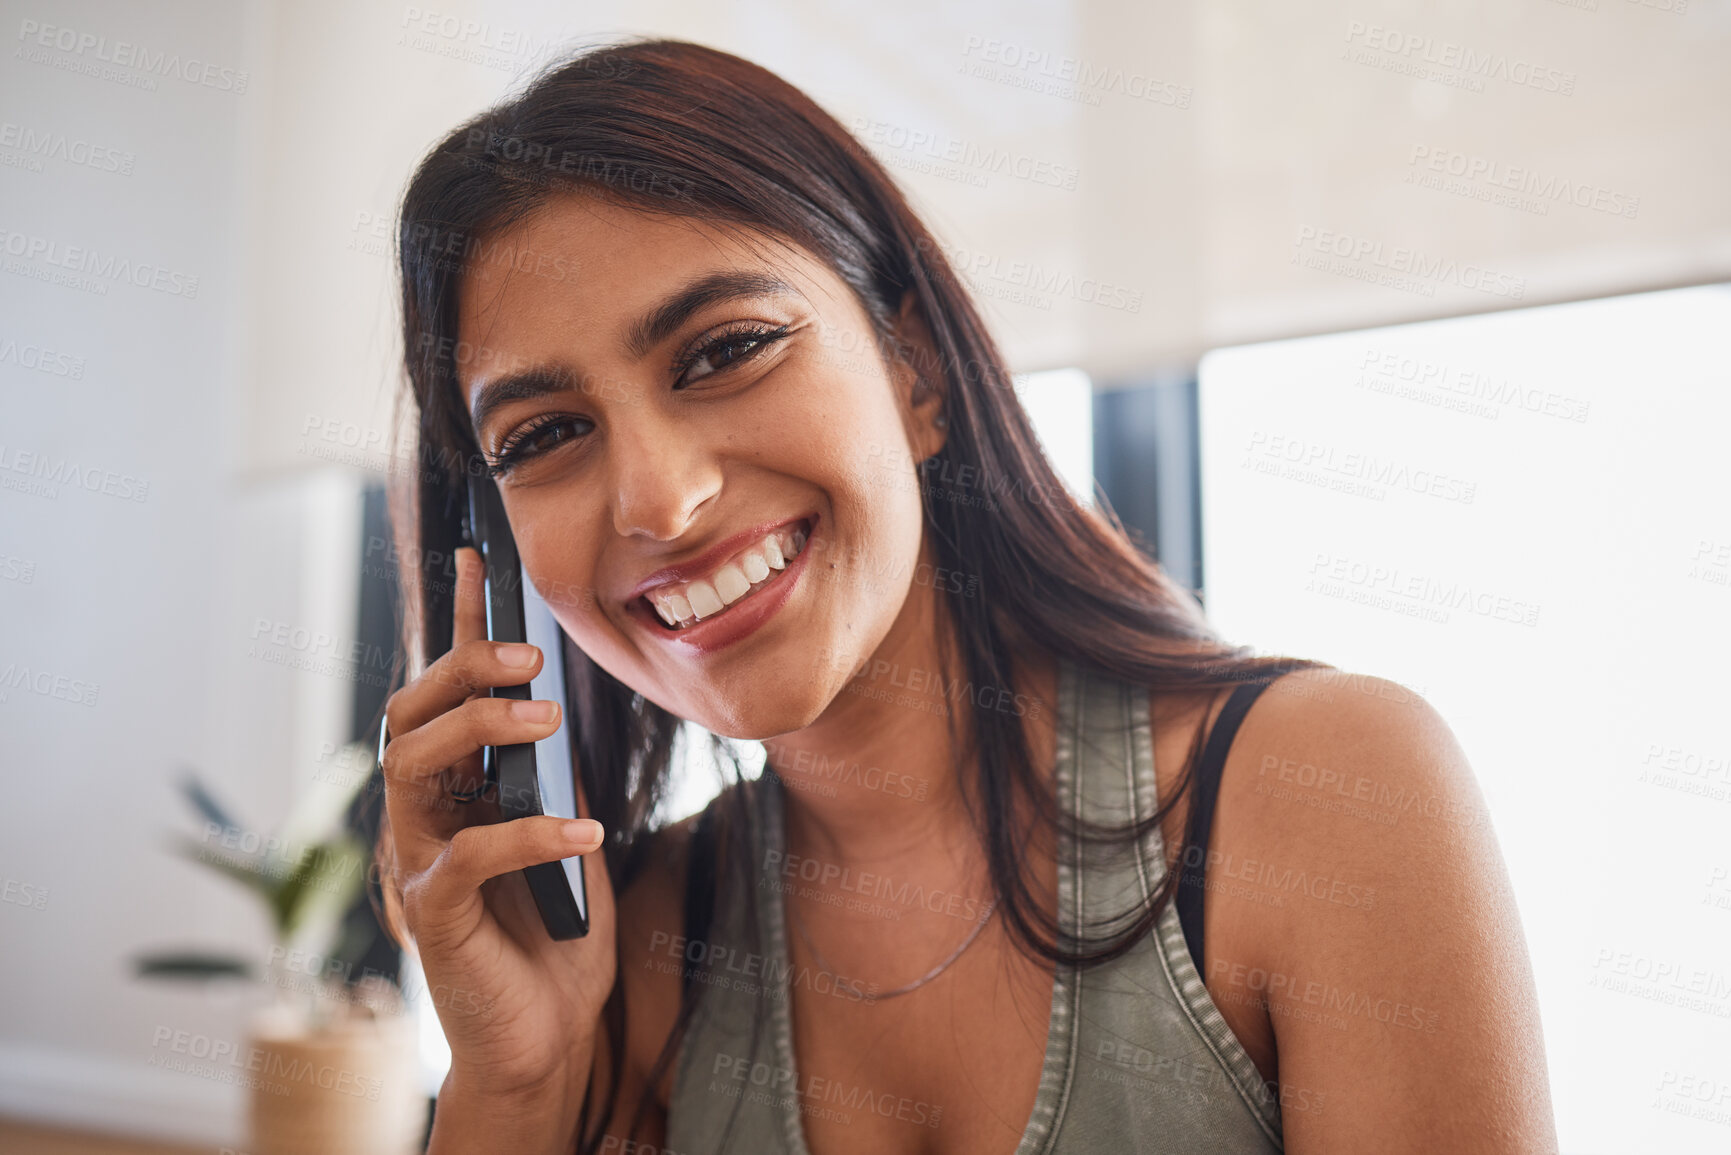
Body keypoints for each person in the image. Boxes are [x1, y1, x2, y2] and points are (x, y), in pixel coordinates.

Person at [373, 37, 1556, 1155]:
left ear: (917, 371)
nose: (660, 502)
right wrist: (516, 1092)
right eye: (547, 435)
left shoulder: (1329, 797)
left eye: (724, 350)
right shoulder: (634, 955)